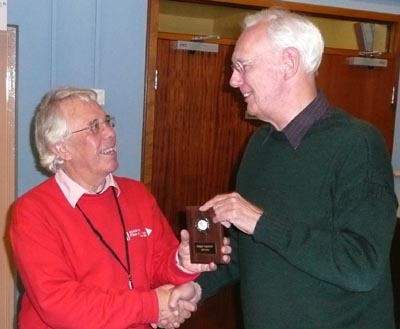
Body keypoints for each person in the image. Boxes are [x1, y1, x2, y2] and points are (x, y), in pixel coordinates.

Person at [186, 7, 398, 329]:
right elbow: (249, 253)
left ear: (288, 63)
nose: (233, 81)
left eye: (242, 67)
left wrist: (259, 221)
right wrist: (194, 289)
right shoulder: (260, 144)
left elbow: (362, 266)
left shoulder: (357, 143)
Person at [9, 87, 230, 329]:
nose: (111, 133)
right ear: (62, 148)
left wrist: (181, 262)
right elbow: (60, 305)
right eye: (94, 127)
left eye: (107, 122)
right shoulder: (32, 211)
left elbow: (157, 265)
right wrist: (153, 306)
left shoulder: (137, 195)